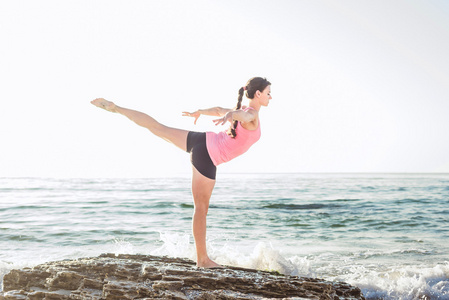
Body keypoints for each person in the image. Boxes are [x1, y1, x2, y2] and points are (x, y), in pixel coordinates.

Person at [91, 77, 272, 268]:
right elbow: (241, 116)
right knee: (201, 209)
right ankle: (202, 260)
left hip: (201, 141)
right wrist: (230, 116)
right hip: (208, 156)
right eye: (268, 92)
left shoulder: (243, 110)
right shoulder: (251, 113)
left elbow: (221, 110)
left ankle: (116, 108)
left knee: (158, 128)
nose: (271, 96)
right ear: (258, 94)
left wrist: (202, 112)